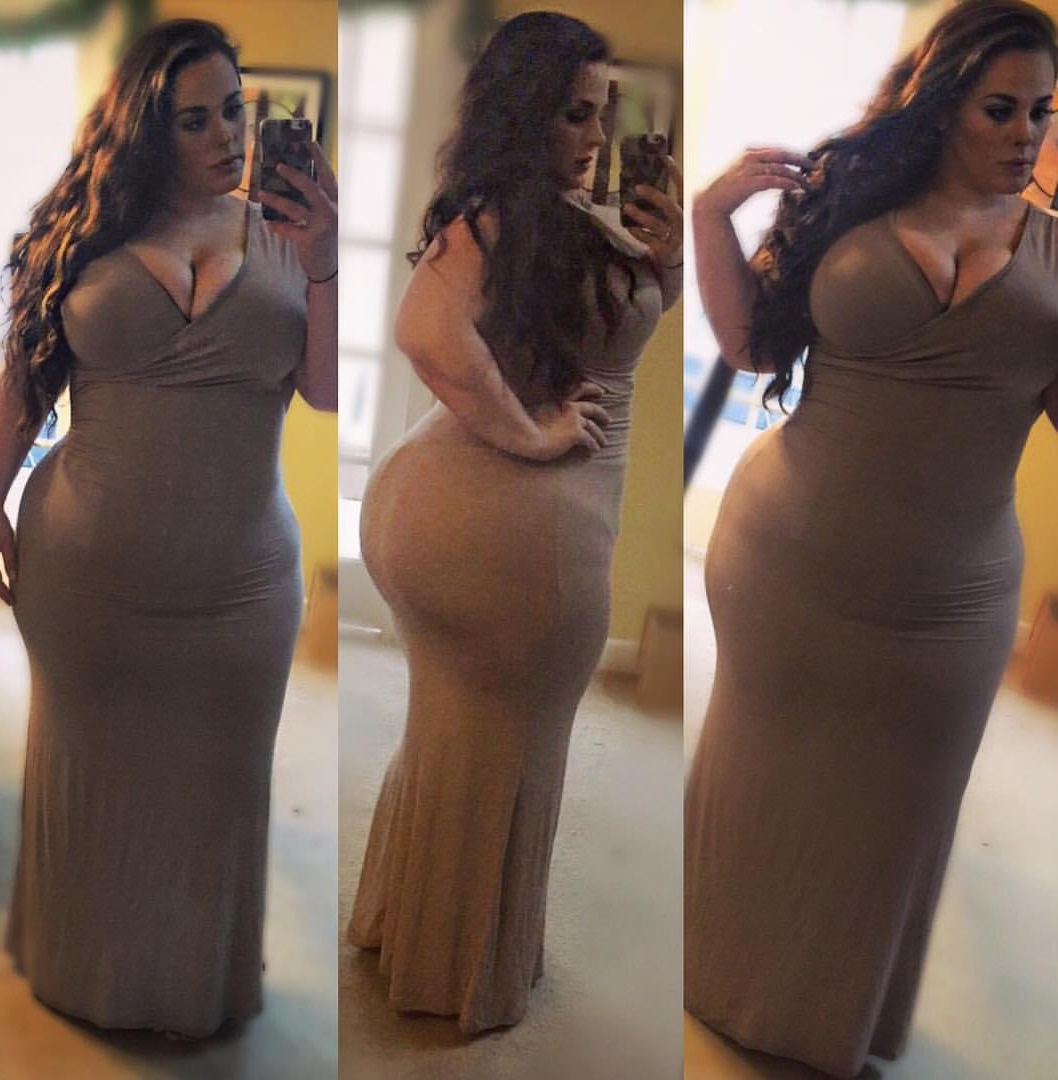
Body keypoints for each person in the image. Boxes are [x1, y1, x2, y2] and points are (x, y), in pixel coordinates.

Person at [685, 2, 1058, 1076]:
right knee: (762, 782)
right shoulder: (848, 206)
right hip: (785, 565)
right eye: (1000, 108)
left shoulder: (1055, 253)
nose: (1026, 133)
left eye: (1043, 111)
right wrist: (710, 215)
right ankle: (718, 979)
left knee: (896, 814)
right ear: (942, 105)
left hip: (952, 602)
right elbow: (752, 345)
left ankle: (826, 1024)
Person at [0, 19, 337, 1039]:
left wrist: (322, 262)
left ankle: (189, 990)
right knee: (91, 781)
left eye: (235, 108)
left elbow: (321, 391)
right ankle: (79, 973)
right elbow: (25, 378)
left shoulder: (286, 235)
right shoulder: (82, 233)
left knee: (213, 793)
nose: (227, 134)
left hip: (240, 588)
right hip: (85, 580)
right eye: (194, 119)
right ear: (146, 129)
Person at [345, 11, 682, 1034]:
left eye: (602, 112)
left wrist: (662, 263)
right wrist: (531, 435)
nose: (593, 134)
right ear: (525, 111)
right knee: (509, 748)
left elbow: (591, 332)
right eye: (574, 113)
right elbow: (424, 329)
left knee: (458, 740)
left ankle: (407, 931)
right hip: (508, 527)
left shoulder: (528, 214)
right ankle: (458, 978)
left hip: (456, 510)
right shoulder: (501, 215)